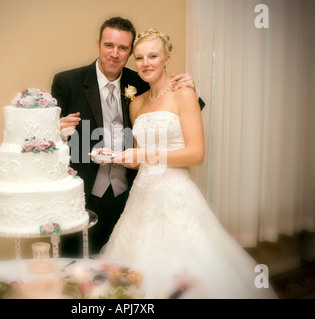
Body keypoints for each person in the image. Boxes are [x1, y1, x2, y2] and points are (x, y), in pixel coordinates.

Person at [100, 29, 277, 299]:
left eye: (153, 56)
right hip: (142, 197)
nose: (146, 63)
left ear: (167, 59)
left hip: (176, 194)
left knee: (187, 274)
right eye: (139, 58)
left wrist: (144, 156)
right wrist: (121, 156)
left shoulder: (184, 94)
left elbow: (196, 154)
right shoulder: (135, 104)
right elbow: (139, 158)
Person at [51, 17, 204, 257]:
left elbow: (174, 112)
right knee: (78, 272)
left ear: (129, 52)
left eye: (123, 48)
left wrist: (191, 88)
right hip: (85, 198)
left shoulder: (140, 80)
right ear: (98, 44)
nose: (114, 53)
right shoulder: (67, 82)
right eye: (109, 45)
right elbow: (48, 144)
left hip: (129, 196)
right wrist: (56, 130)